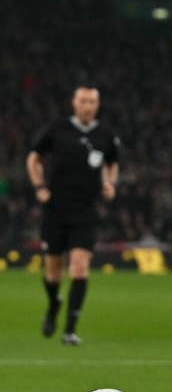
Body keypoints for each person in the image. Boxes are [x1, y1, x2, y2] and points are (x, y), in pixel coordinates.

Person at [26, 85, 121, 345]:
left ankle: (69, 329)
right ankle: (53, 304)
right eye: (83, 101)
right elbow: (33, 158)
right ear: (74, 102)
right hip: (55, 210)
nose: (87, 106)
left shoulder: (106, 135)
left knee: (79, 267)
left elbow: (112, 162)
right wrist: (39, 187)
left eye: (92, 101)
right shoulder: (57, 129)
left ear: (97, 105)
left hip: (85, 211)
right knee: (53, 273)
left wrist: (110, 183)